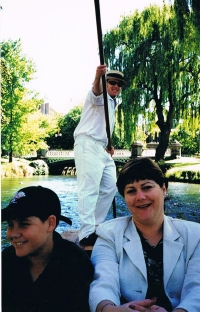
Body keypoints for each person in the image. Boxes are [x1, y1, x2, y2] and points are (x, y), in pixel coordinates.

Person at [89, 157, 200, 312]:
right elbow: (103, 281)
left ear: (163, 189)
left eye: (147, 187)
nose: (140, 197)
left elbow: (197, 288)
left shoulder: (195, 235)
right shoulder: (109, 234)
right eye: (131, 191)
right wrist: (112, 310)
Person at [1, 186, 94, 312]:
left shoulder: (75, 264)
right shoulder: (6, 259)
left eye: (24, 224)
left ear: (50, 223)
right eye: (10, 225)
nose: (13, 234)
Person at [74, 64, 126, 249]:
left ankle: (95, 228)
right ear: (105, 83)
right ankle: (86, 233)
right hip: (87, 144)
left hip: (102, 149)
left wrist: (108, 144)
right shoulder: (97, 96)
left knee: (110, 186)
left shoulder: (112, 102)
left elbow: (102, 128)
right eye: (112, 82)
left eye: (119, 84)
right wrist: (97, 76)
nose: (116, 86)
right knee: (89, 189)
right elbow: (96, 90)